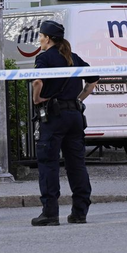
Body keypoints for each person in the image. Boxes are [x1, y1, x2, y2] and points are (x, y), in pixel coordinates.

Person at [30, 20, 97, 226]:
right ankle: (80, 212)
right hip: (74, 116)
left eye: (40, 36)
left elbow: (38, 81)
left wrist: (37, 98)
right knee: (76, 164)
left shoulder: (44, 58)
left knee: (48, 164)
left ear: (48, 38)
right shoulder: (73, 58)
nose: (39, 39)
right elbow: (93, 79)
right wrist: (79, 99)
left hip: (54, 117)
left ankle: (50, 213)